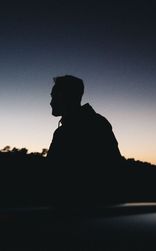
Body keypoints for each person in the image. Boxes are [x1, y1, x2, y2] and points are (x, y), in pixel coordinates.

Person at [47, 75, 123, 203]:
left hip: (80, 211)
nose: (51, 102)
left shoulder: (88, 126)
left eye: (53, 96)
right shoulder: (96, 122)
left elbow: (54, 174)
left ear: (64, 97)